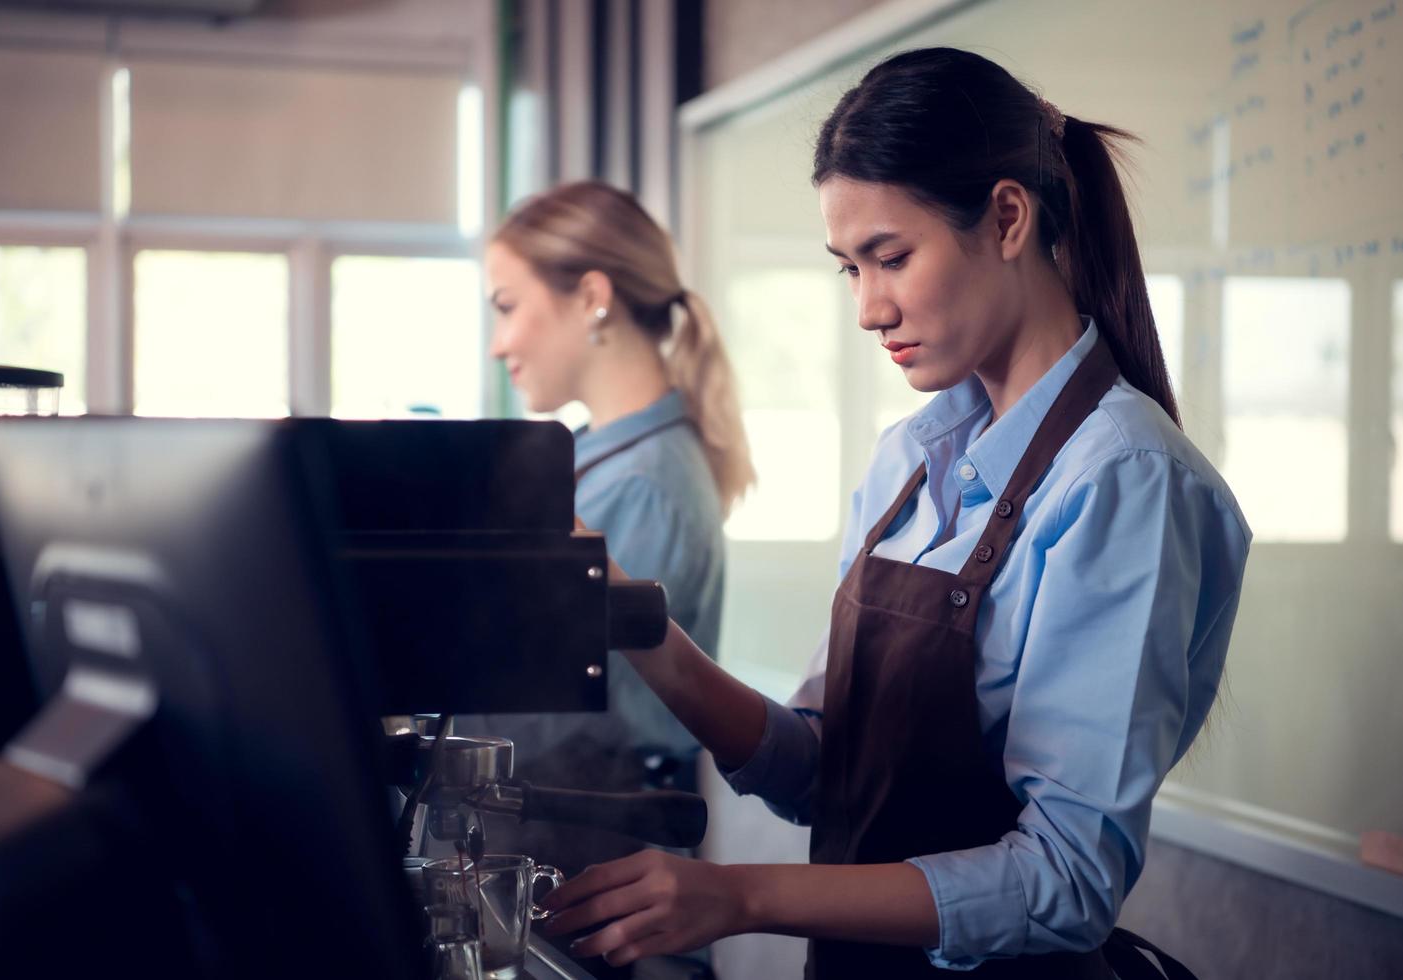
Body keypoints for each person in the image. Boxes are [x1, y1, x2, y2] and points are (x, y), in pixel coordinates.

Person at [535, 48, 1251, 979]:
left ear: (1005, 218)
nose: (870, 309)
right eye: (848, 269)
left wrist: (740, 897)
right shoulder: (909, 461)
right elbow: (823, 772)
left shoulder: (1122, 480)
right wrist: (636, 623)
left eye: (891, 257)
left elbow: (1066, 880)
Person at [456, 181, 753, 870]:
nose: (499, 345)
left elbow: (558, 716)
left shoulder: (642, 485)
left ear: (592, 296)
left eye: (507, 308)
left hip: (581, 850)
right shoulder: (595, 456)